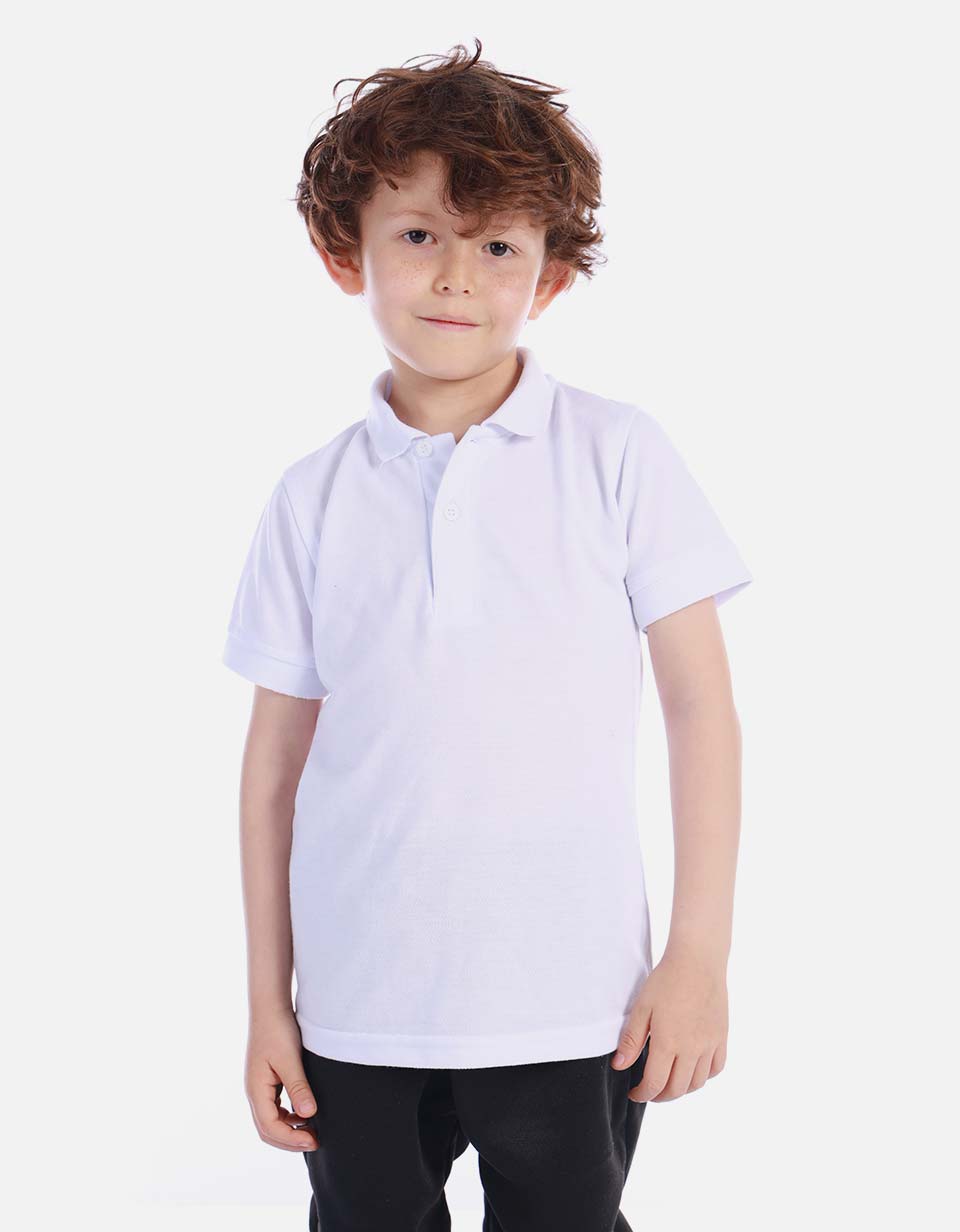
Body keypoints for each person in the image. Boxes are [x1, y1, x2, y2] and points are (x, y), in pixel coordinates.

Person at [222, 39, 754, 1232]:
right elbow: (272, 772)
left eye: (499, 245)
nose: (457, 275)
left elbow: (701, 709)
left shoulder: (618, 455)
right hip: (358, 1006)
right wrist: (268, 1001)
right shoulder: (310, 498)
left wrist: (699, 953)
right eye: (419, 233)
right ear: (345, 252)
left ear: (549, 276)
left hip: (573, 1001)